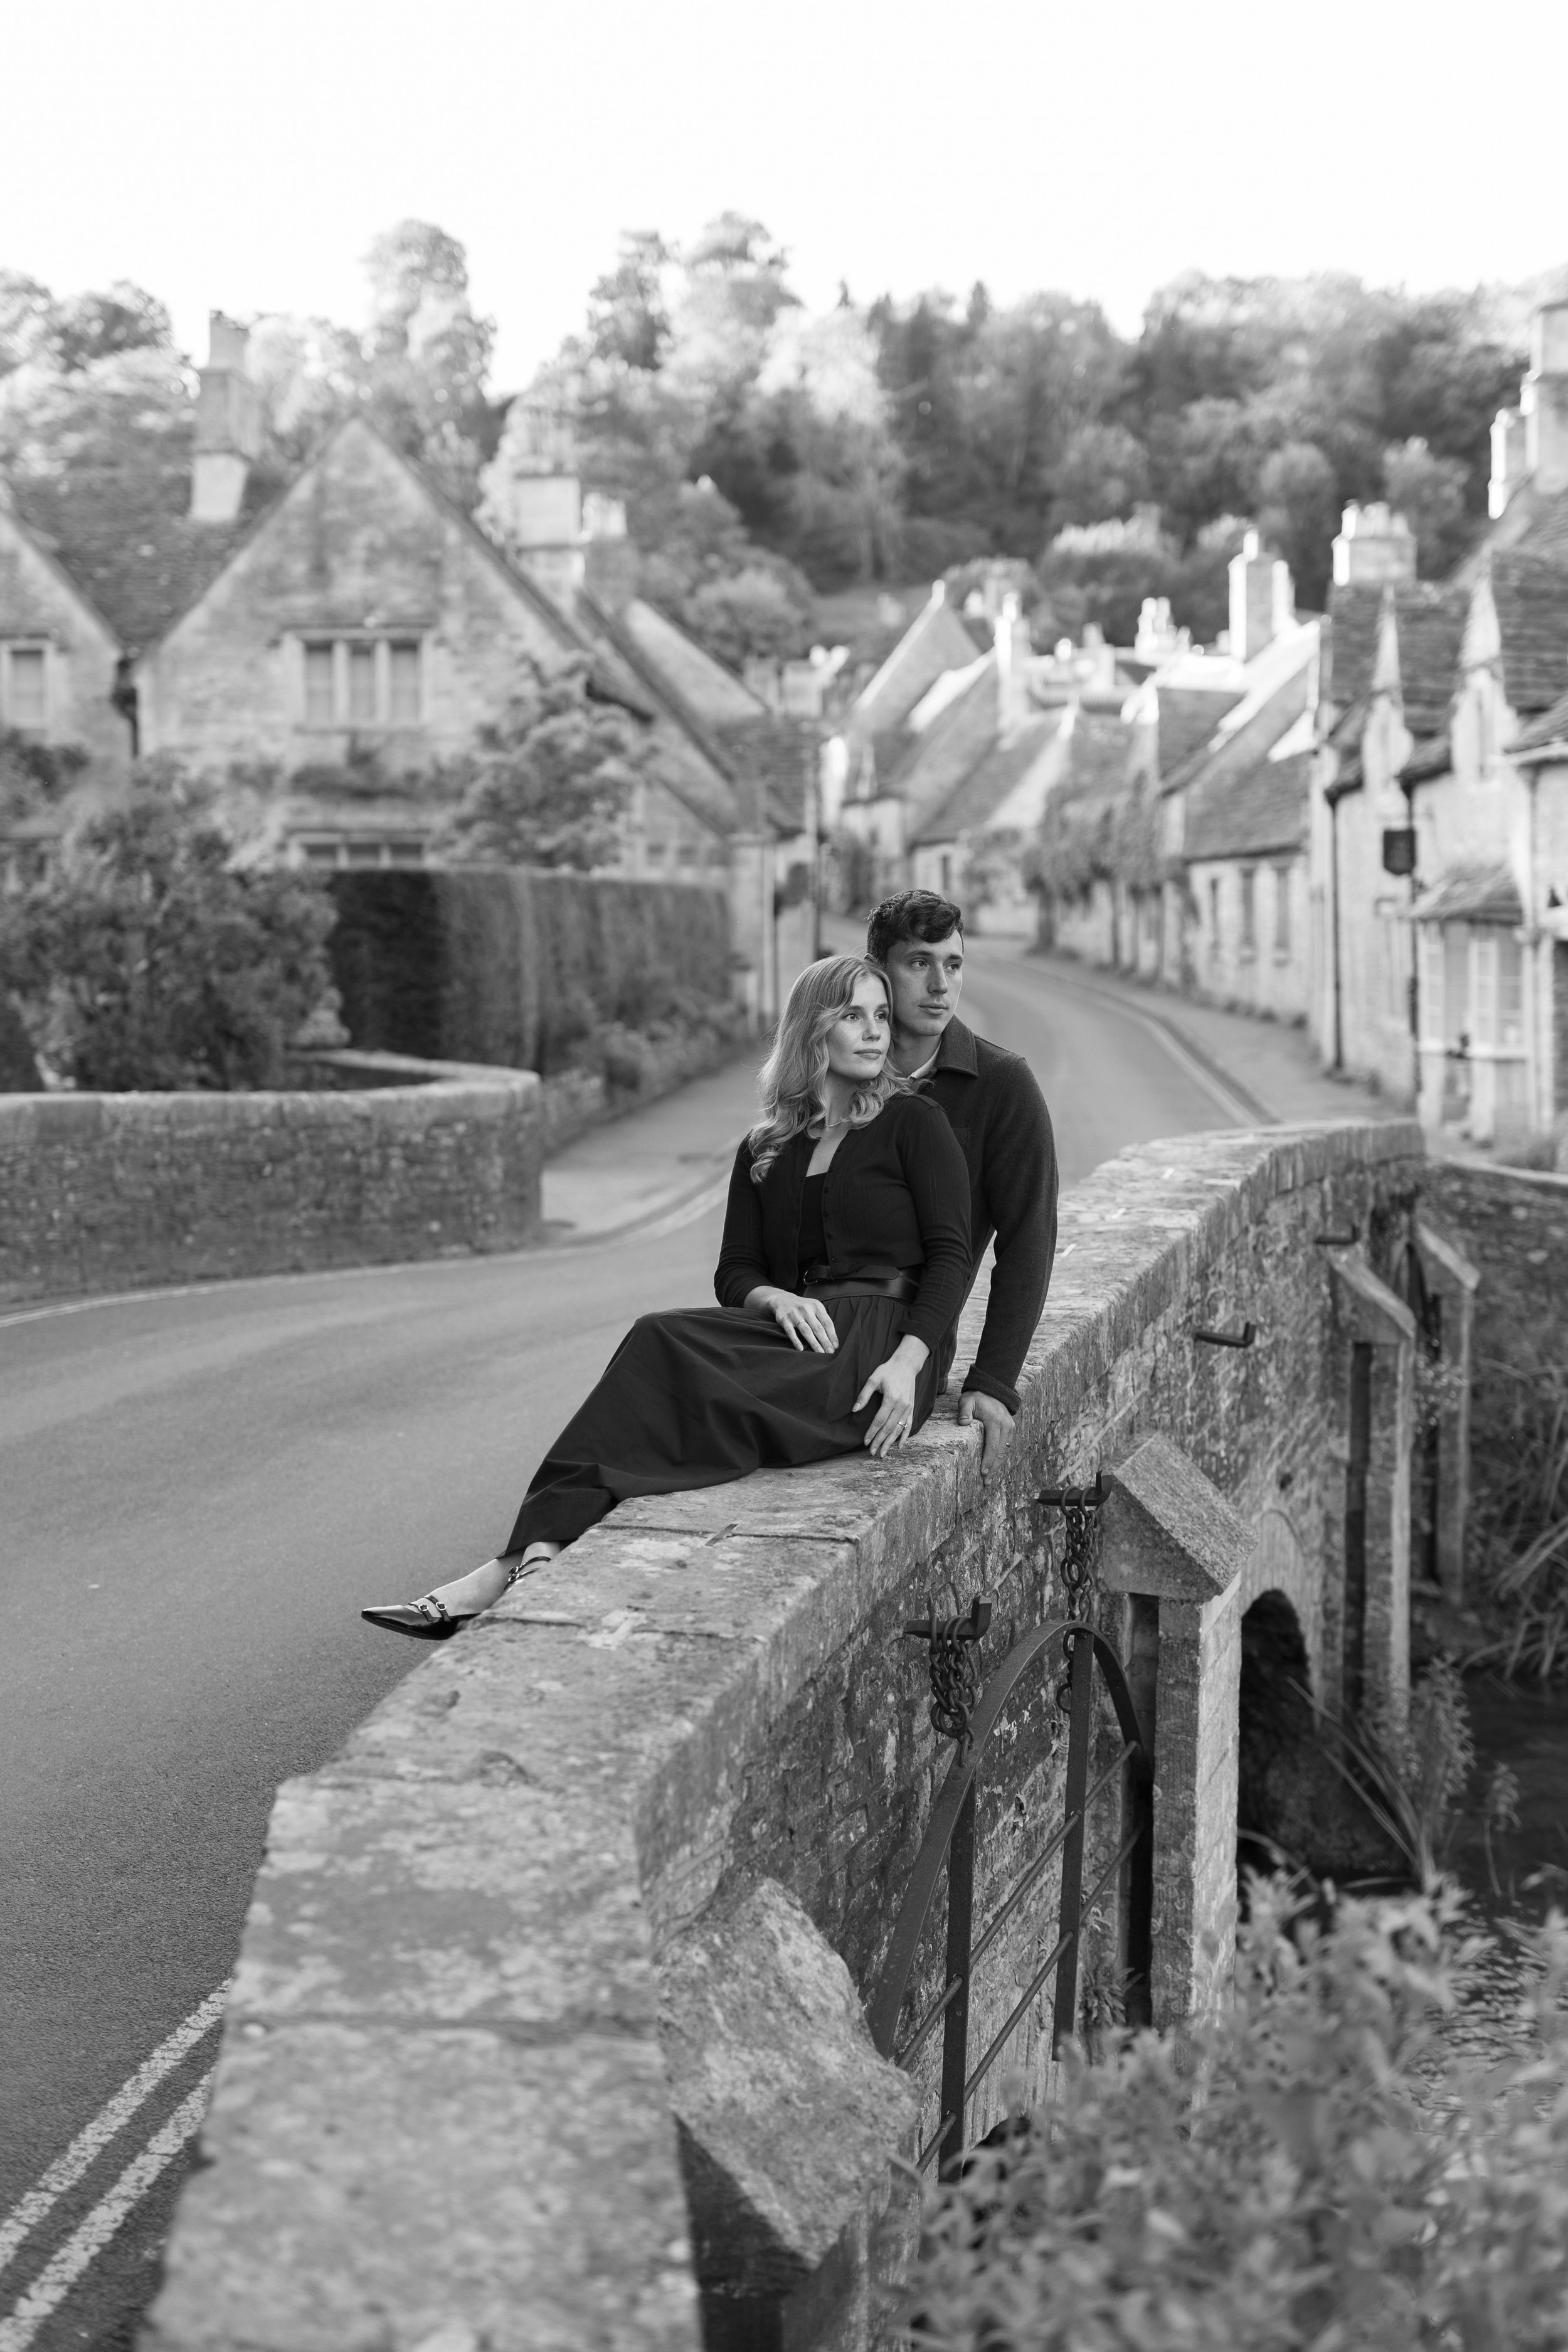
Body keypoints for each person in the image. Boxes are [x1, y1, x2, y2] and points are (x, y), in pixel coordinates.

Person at [363, 953, 971, 1639]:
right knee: (658, 1339)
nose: (874, 1033)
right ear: (812, 1030)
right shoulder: (766, 1147)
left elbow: (953, 1253)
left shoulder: (915, 1122)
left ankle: (509, 1570)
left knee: (673, 1395)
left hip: (882, 1355)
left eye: (882, 1016)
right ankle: (533, 1556)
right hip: (806, 1335)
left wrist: (910, 1363)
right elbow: (736, 1272)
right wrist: (777, 1299)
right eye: (852, 1016)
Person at [866, 890, 1057, 1481]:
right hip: (811, 1322)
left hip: (910, 1339)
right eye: (919, 963)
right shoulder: (837, 1068)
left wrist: (995, 1379)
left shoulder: (1002, 1083)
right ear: (878, 972)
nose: (940, 985)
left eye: (953, 964)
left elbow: (1029, 1234)